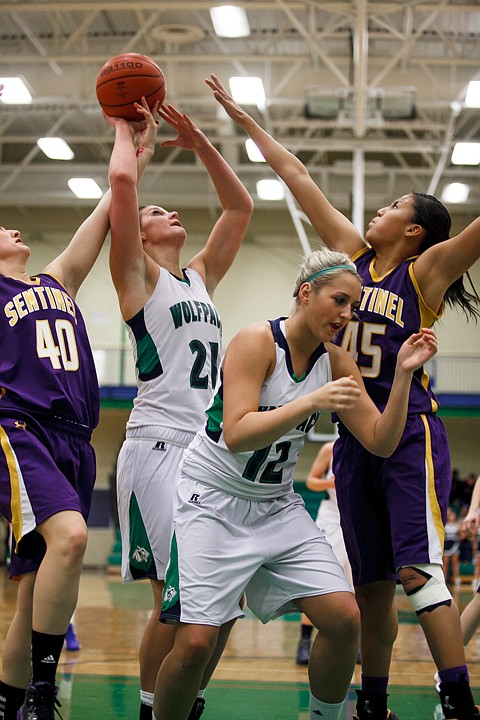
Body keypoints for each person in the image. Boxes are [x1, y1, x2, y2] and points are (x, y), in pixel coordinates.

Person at [206, 73, 480, 720]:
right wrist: (245, 121)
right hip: (354, 439)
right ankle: (373, 703)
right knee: (372, 589)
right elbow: (299, 179)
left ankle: (458, 701)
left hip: (407, 430)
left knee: (419, 574)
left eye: (392, 207)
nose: (378, 212)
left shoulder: (426, 272)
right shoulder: (350, 259)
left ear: (415, 232)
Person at [152, 249, 438, 720]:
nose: (347, 315)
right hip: (214, 500)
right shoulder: (256, 341)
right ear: (306, 293)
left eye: (353, 306)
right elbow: (237, 433)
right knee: (196, 643)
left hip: (276, 505)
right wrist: (312, 403)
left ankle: (323, 716)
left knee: (345, 619)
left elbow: (380, 441)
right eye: (339, 301)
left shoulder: (339, 362)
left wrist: (404, 377)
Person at [0, 81, 157, 720]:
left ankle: (8, 700)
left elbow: (104, 215)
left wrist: (135, 152)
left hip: (74, 437)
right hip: (19, 426)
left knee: (37, 583)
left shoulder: (54, 280)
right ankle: (43, 692)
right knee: (69, 539)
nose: (10, 225)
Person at [104, 97, 253, 720]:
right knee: (176, 595)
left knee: (217, 600)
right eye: (156, 210)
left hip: (206, 451)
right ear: (139, 230)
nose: (169, 213)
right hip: (158, 444)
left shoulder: (198, 279)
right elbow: (120, 182)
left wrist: (203, 145)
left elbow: (240, 205)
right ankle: (149, 707)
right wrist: (125, 131)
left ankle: (185, 703)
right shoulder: (136, 274)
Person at [295, 440, 355, 666]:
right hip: (331, 518)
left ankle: (355, 643)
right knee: (320, 583)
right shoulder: (329, 449)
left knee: (355, 585)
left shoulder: (366, 446)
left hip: (357, 520)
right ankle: (304, 642)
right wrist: (330, 483)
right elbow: (311, 481)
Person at [443, 507, 462, 587]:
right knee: (445, 563)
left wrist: (459, 533)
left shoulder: (457, 525)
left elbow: (461, 536)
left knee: (455, 563)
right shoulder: (445, 525)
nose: (452, 517)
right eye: (450, 515)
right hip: (447, 546)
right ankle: (444, 579)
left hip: (455, 546)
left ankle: (456, 579)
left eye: (453, 515)